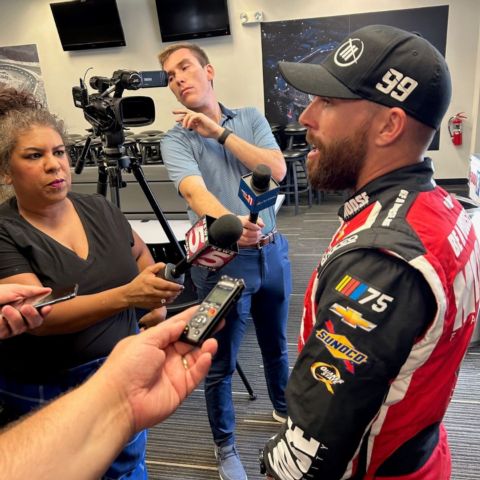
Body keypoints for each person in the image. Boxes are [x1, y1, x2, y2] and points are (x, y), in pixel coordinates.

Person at [261, 25, 479, 479]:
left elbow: (306, 460)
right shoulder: (442, 206)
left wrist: (272, 460)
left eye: (329, 103)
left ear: (389, 125)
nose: (306, 117)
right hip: (418, 444)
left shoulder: (380, 260)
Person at [0, 87, 184, 479]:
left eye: (59, 152)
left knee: (128, 467)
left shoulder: (98, 207)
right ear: (5, 171)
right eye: (34, 156)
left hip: (121, 367)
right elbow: (41, 317)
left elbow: (138, 255)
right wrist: (127, 297)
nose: (55, 166)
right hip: (47, 389)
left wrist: (153, 302)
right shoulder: (5, 231)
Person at [158, 43, 292, 480]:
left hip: (273, 252)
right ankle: (225, 446)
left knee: (276, 344)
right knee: (219, 359)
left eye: (184, 68)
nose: (178, 79)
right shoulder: (174, 140)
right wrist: (233, 223)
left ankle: (284, 412)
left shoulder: (250, 118)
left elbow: (276, 169)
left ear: (209, 71)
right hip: (223, 261)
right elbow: (196, 194)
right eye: (170, 76)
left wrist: (219, 133)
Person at [0, 307, 218, 480]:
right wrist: (129, 293)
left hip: (116, 381)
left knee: (129, 466)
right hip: (50, 378)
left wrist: (121, 401)